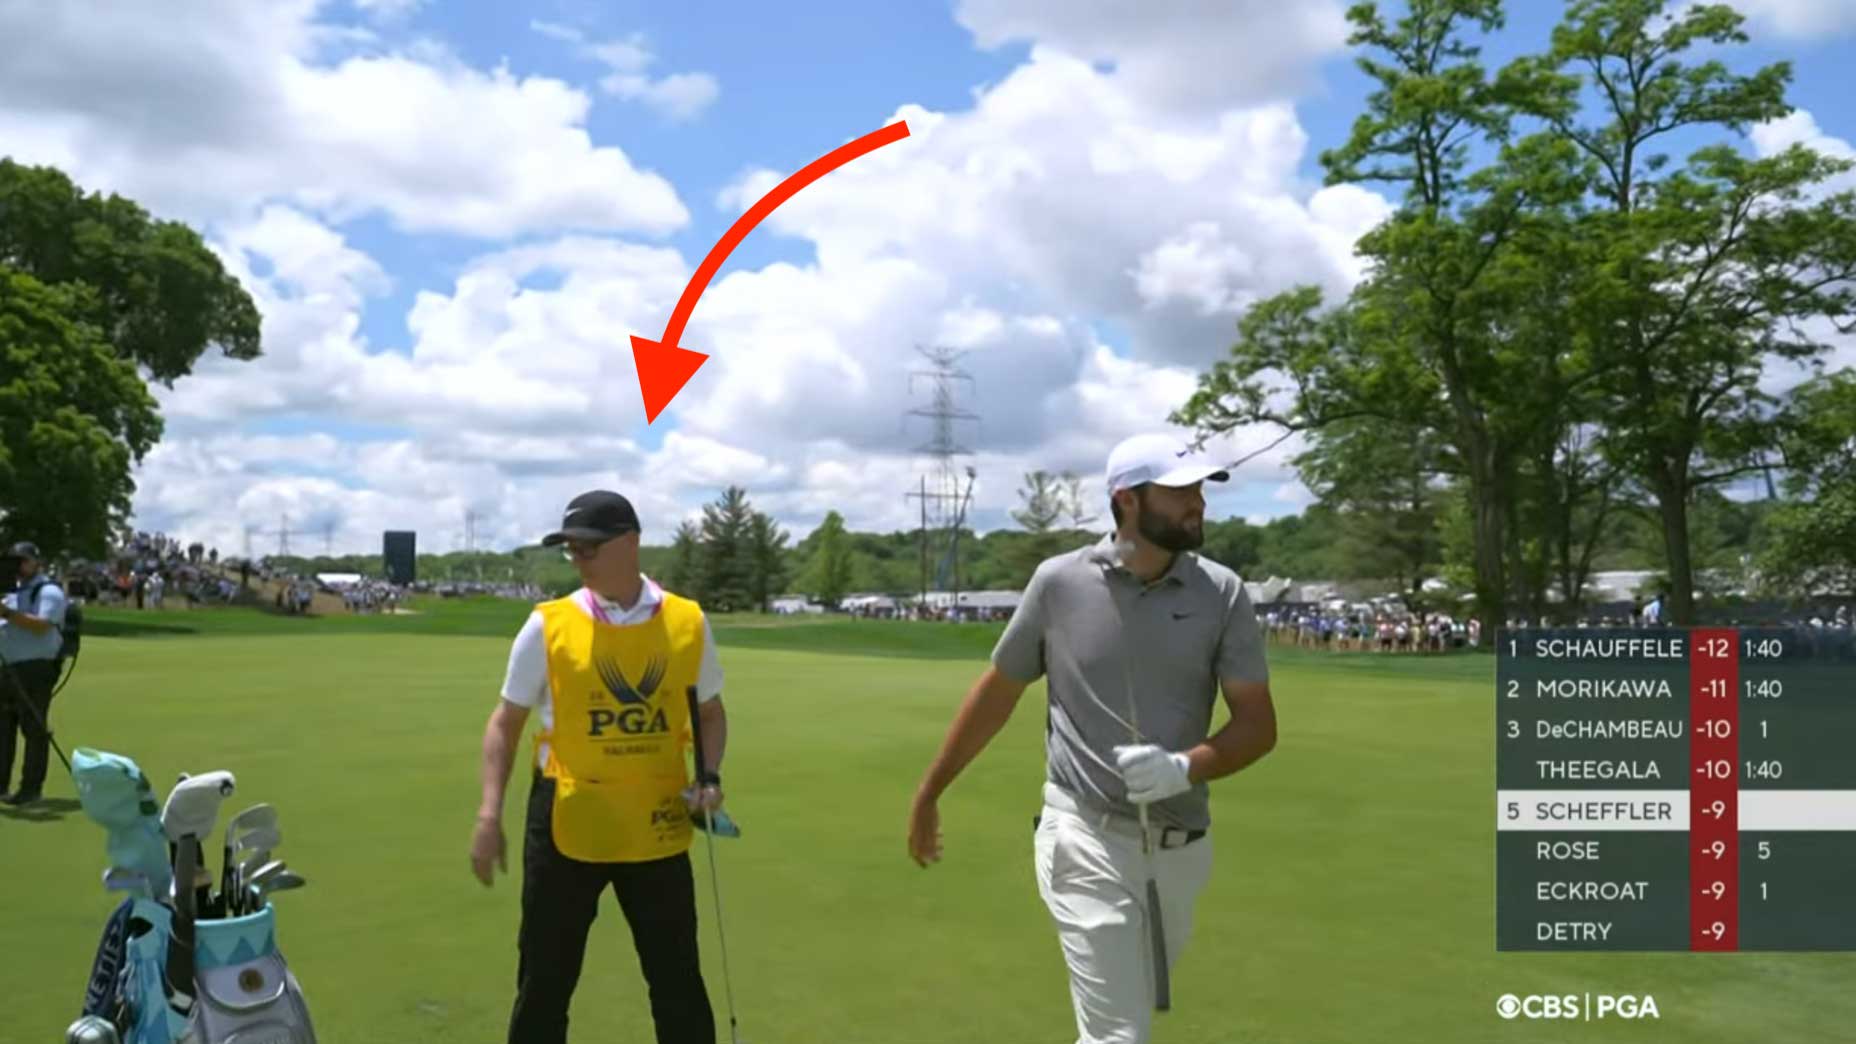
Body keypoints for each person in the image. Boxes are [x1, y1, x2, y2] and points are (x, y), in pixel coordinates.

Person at [908, 433, 1279, 1044]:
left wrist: (1185, 767)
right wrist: (929, 792)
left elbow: (1258, 725)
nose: (1197, 504)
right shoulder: (1060, 583)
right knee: (1118, 1036)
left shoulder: (1222, 592)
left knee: (1123, 1021)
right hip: (1084, 833)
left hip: (1182, 844)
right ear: (1127, 499)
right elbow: (998, 692)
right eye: (1179, 492)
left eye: (1198, 490)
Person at [470, 490, 730, 1044]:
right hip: (566, 821)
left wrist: (709, 777)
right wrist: (489, 814)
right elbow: (505, 724)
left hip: (656, 824)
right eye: (572, 551)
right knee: (544, 980)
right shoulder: (548, 625)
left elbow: (710, 713)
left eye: (589, 548)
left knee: (677, 981)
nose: (579, 561)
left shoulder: (687, 622)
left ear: (630, 543)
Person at [1, 541, 69, 806]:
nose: (18, 566)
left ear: (35, 562)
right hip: (8, 667)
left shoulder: (48, 591)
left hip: (36, 667)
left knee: (33, 727)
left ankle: (31, 788)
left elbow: (41, 625)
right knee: (4, 727)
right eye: (14, 561)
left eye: (23, 560)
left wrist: (8, 613)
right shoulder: (12, 593)